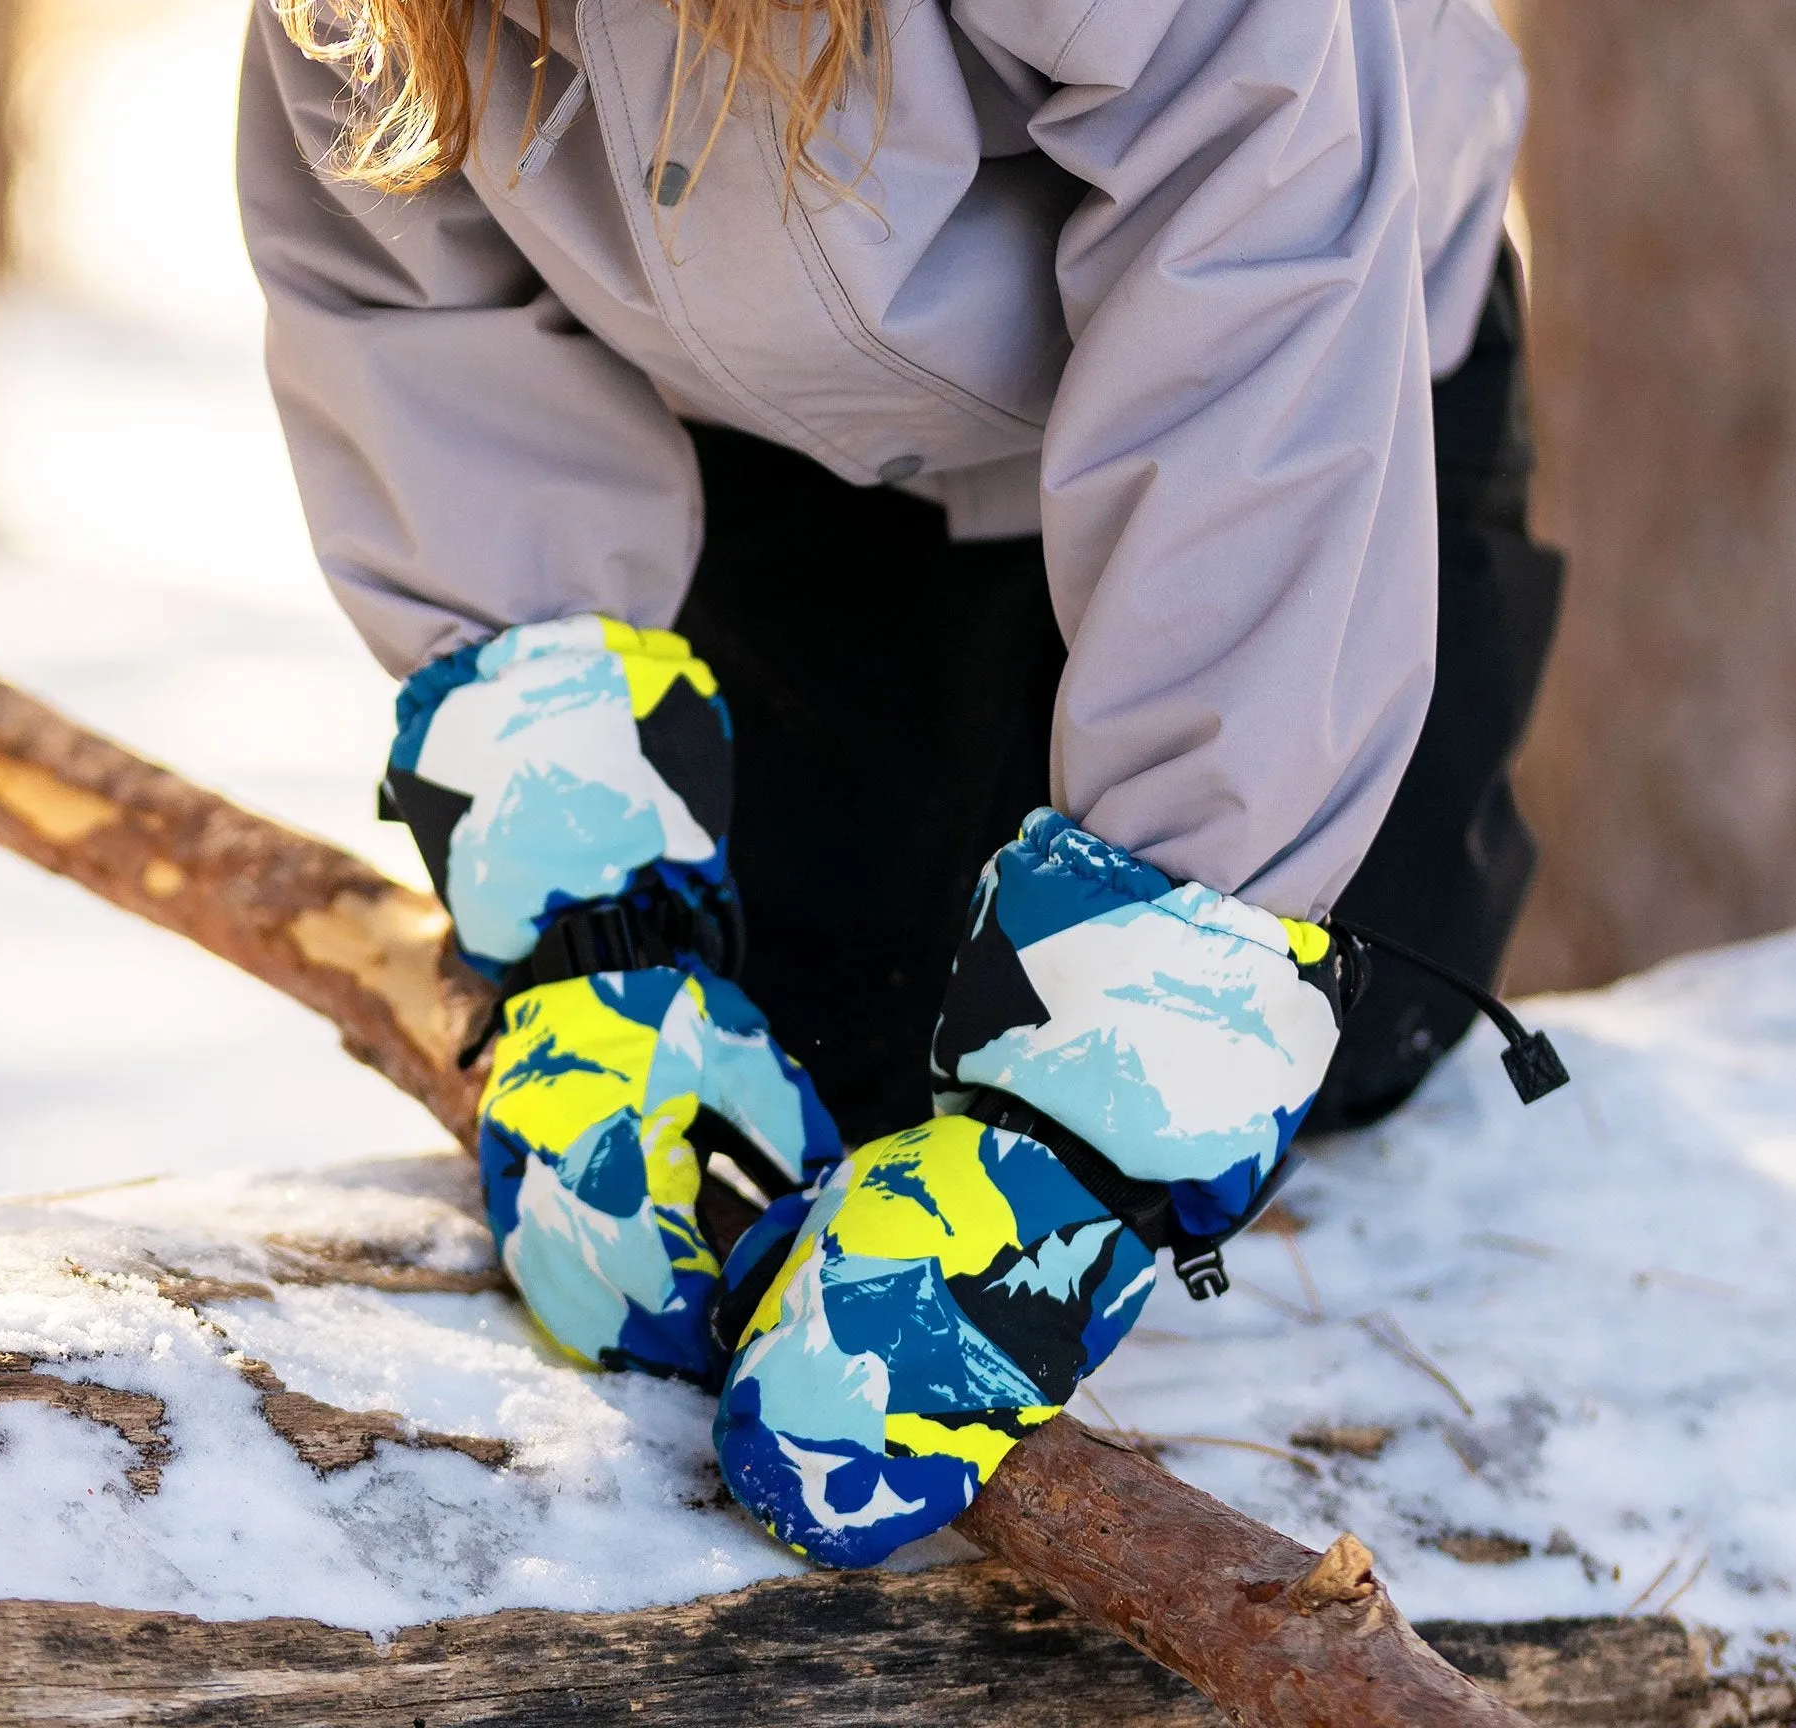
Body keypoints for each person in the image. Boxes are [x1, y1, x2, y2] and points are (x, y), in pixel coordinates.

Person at [240, 0, 1562, 1567]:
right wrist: (595, 934)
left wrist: (1105, 1111)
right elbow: (415, 322)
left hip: (1306, 396)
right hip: (789, 457)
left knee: (1322, 1090)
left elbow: (1262, 285)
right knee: (829, 1087)